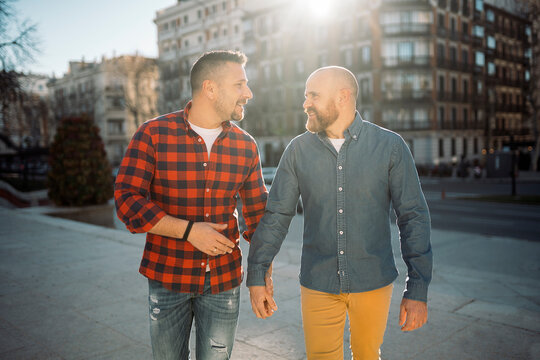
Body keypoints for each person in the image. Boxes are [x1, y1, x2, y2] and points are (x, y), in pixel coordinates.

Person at [247, 66, 432, 360]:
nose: (305, 103)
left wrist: (417, 288)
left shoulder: (390, 147)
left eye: (313, 96)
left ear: (343, 97)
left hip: (373, 280)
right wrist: (257, 274)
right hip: (318, 282)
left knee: (368, 355)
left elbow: (412, 217)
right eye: (306, 96)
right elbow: (276, 215)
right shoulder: (297, 150)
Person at [115, 50, 270, 360]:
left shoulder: (246, 145)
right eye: (240, 84)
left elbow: (258, 219)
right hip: (167, 277)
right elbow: (127, 199)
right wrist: (188, 231)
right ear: (210, 88)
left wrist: (261, 277)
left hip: (224, 281)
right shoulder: (153, 135)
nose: (248, 93)